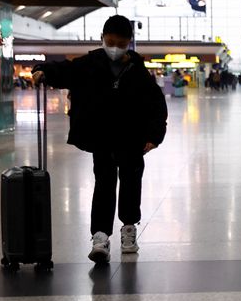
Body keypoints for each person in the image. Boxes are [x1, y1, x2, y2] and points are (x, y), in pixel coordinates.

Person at [32, 15, 167, 264]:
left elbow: (156, 104)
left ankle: (129, 229)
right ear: (102, 38)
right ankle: (100, 235)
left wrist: (154, 135)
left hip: (132, 137)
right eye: (111, 42)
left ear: (129, 43)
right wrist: (42, 70)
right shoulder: (90, 64)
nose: (115, 48)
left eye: (121, 44)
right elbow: (65, 70)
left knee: (131, 182)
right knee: (104, 183)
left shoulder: (138, 71)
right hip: (102, 136)